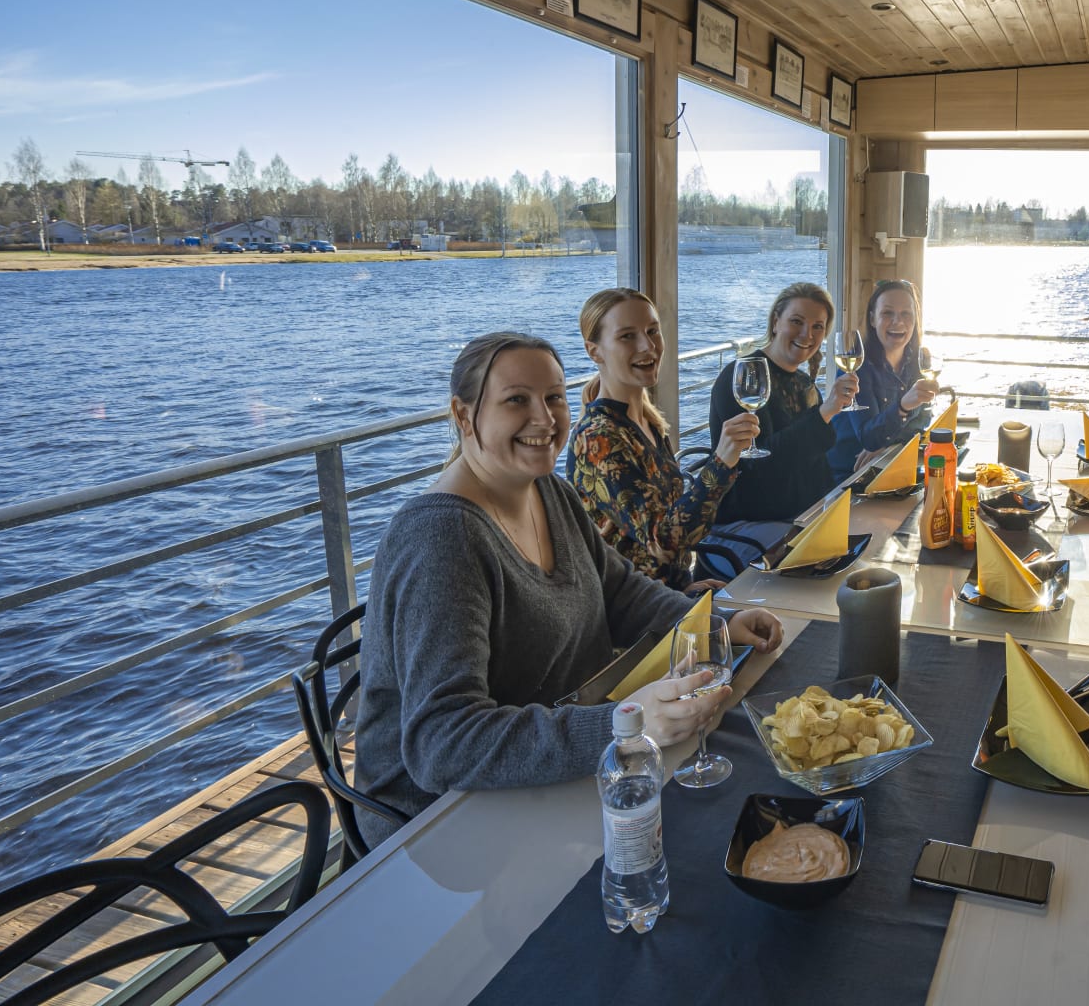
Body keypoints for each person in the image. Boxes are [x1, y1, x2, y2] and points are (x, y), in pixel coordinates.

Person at [355, 331, 783, 845]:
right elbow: (441, 744)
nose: (545, 419)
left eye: (554, 397)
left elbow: (620, 591)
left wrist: (716, 622)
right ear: (464, 415)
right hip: (437, 828)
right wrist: (623, 725)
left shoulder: (549, 491)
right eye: (517, 400)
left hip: (554, 777)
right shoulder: (441, 538)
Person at [567, 288, 760, 594]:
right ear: (595, 352)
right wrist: (721, 463)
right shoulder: (598, 437)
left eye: (652, 331)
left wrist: (686, 587)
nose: (648, 346)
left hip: (669, 598)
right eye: (627, 336)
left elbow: (657, 546)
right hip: (633, 622)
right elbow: (664, 538)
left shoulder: (647, 421)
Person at [708, 282, 859, 524]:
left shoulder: (803, 383)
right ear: (776, 321)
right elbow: (760, 469)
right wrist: (825, 412)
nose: (807, 335)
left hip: (803, 516)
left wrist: (838, 508)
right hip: (752, 521)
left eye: (817, 327)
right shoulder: (741, 377)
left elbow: (815, 464)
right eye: (797, 321)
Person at [826, 278, 940, 479]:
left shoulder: (920, 360)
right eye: (887, 313)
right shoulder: (855, 365)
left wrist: (890, 445)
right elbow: (868, 437)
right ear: (872, 319)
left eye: (906, 314)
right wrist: (904, 406)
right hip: (850, 475)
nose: (898, 321)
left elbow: (922, 421)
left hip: (895, 465)